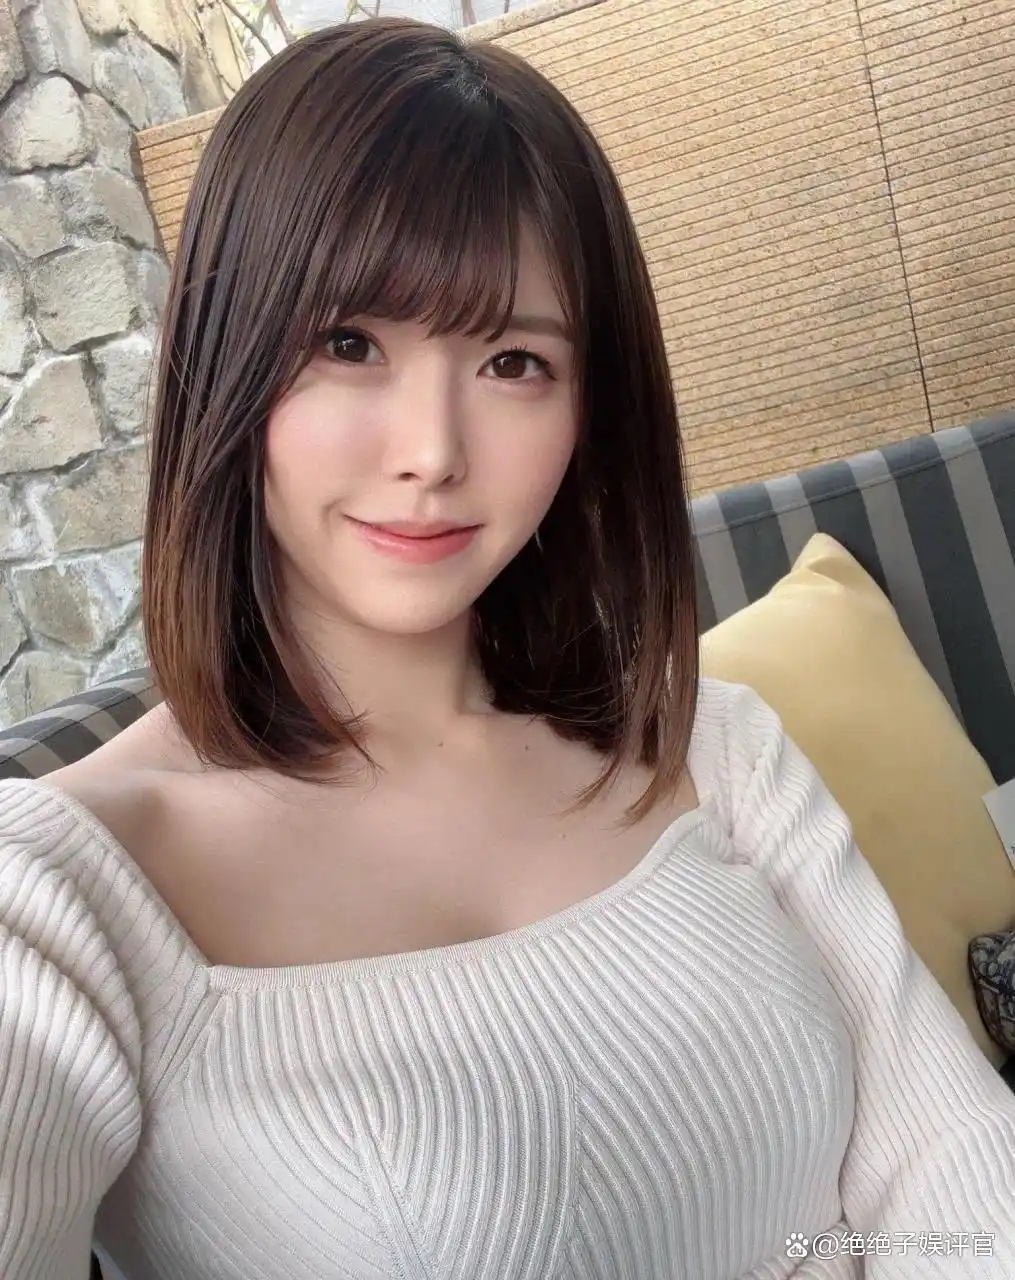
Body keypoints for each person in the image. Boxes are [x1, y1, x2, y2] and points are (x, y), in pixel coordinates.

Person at [1, 16, 1014, 1280]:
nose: (433, 449)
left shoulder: (712, 746)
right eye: (348, 343)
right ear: (223, 356)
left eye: (514, 361)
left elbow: (949, 1167)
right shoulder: (61, 900)